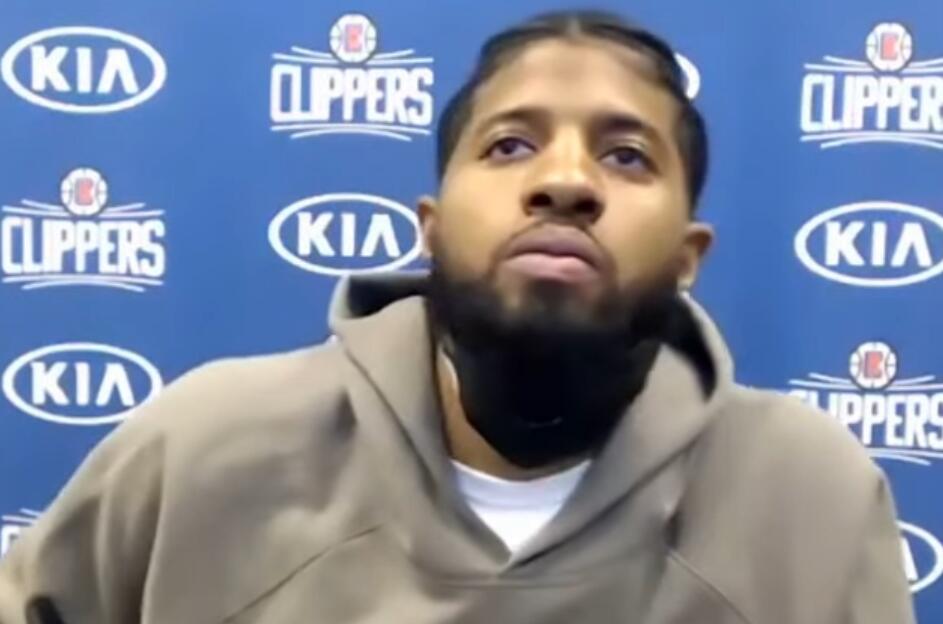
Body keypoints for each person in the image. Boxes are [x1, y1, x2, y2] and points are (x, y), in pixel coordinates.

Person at [0, 10, 915, 624]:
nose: (564, 181)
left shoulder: (809, 500)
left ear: (689, 254)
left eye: (627, 156)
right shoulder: (204, 450)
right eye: (509, 145)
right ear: (431, 228)